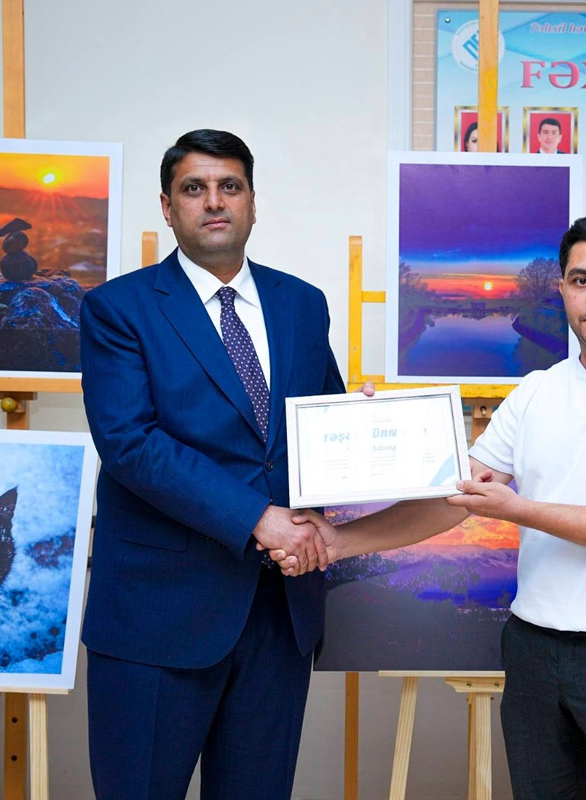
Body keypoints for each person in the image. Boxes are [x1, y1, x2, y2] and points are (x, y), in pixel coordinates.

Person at [277, 211, 586, 800]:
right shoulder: (537, 390)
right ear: (561, 289)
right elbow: (456, 497)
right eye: (581, 280)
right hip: (534, 647)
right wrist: (349, 502)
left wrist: (518, 509)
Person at [79, 129, 346, 799]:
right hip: (157, 616)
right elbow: (131, 443)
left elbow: (321, 427)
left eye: (230, 186)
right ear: (168, 208)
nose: (214, 201)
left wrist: (363, 429)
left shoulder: (302, 304)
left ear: (253, 201)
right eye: (194, 188)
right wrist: (259, 518)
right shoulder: (118, 309)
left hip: (278, 612)